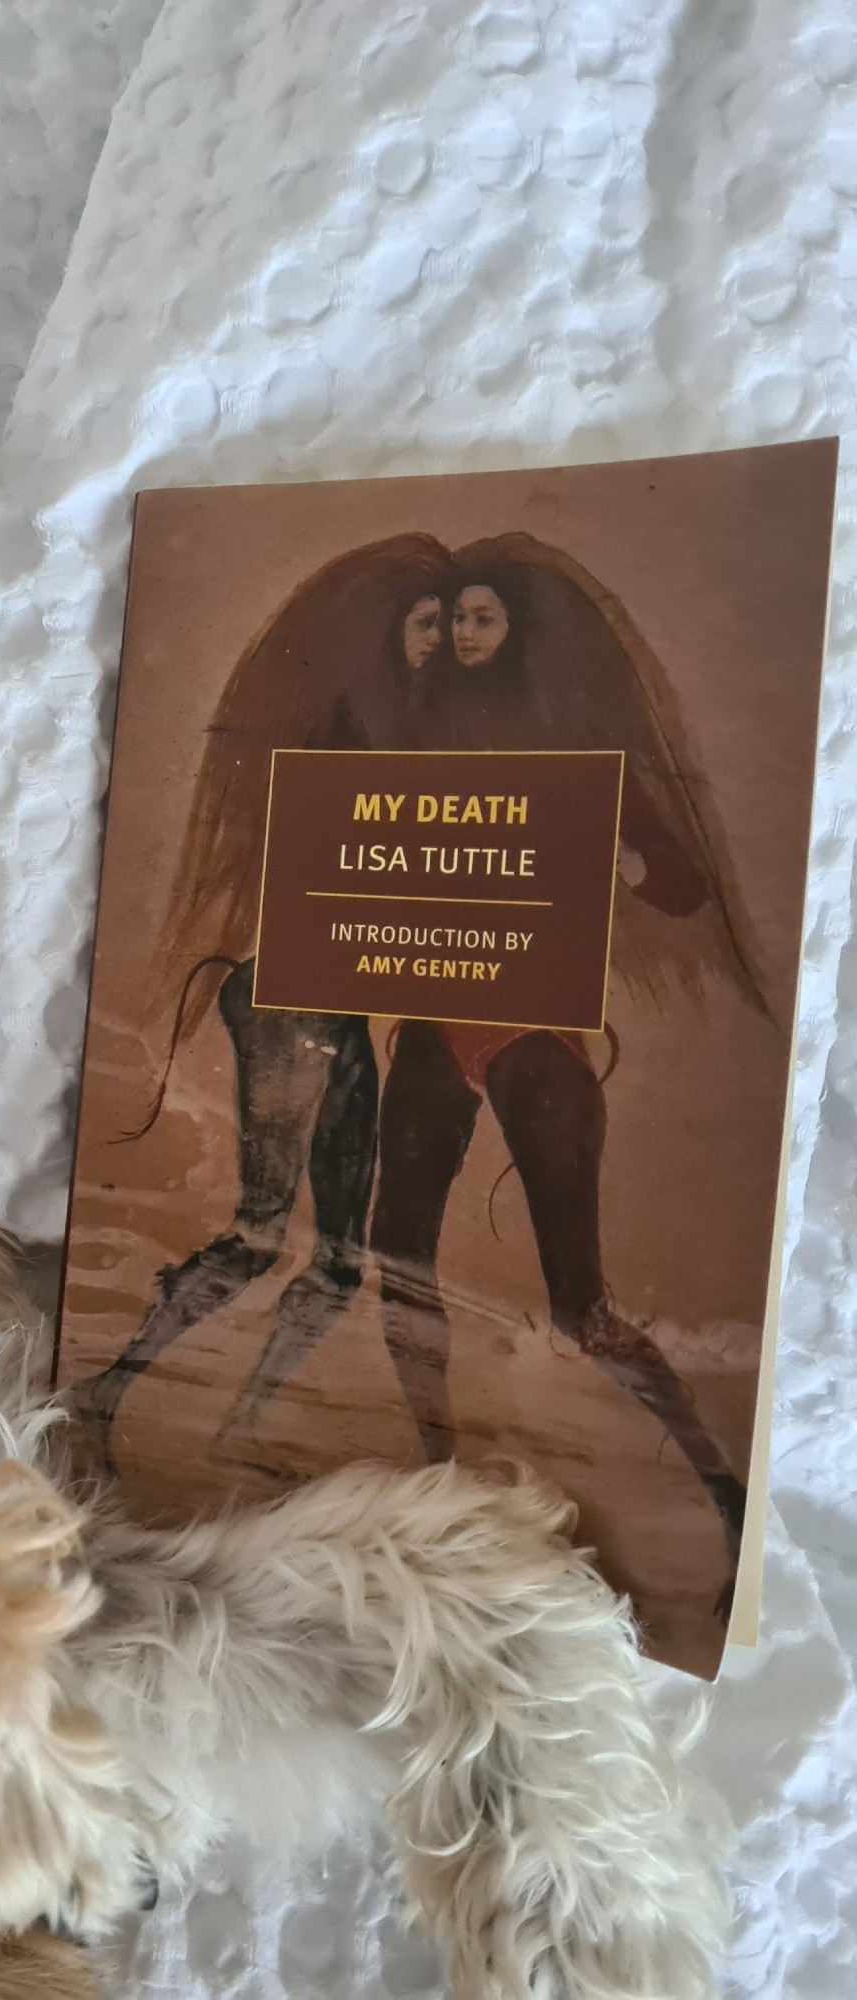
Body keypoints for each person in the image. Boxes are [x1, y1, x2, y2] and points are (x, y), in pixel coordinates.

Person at [370, 563, 751, 1560]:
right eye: (451, 618)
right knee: (393, 1262)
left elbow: (684, 884)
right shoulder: (409, 738)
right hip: (430, 1020)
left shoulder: (571, 747)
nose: (462, 634)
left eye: (482, 618)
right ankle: (440, 1482)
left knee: (579, 1308)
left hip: (532, 1033)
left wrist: (616, 854)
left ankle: (724, 1495)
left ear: (517, 631)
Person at [66, 543, 454, 1466]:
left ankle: (238, 1429)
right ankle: (105, 1391)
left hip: (337, 1008)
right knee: (260, 1234)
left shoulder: (410, 726)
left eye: (448, 624)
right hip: (289, 1000)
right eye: (425, 621)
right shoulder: (346, 728)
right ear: (388, 627)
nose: (438, 640)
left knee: (340, 1262)